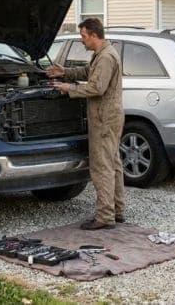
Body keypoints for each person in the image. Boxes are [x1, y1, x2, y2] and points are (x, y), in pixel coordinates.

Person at [47, 17, 125, 230]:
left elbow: (96, 88)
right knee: (113, 163)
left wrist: (68, 88)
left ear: (93, 35)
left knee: (102, 167)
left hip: (104, 118)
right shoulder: (100, 55)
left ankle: (104, 217)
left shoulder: (106, 57)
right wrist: (64, 72)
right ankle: (117, 210)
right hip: (109, 116)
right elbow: (87, 72)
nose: (82, 41)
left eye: (83, 36)